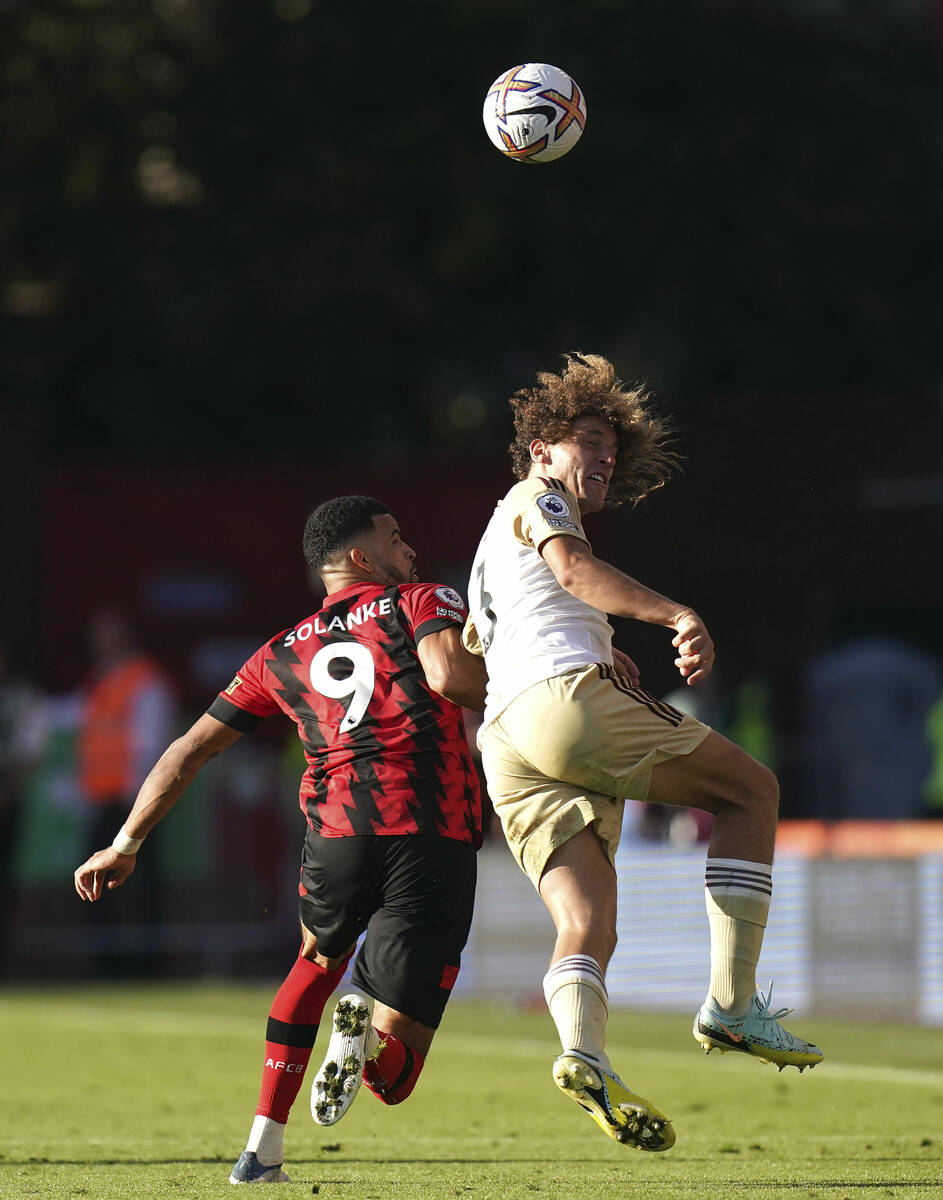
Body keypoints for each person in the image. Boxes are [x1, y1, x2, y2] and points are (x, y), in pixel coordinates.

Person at [463, 353, 822, 1153]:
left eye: (610, 448)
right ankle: (730, 1006)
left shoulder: (490, 545)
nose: (602, 454)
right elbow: (573, 567)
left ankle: (583, 1056)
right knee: (751, 792)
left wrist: (595, 649)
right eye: (587, 438)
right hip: (561, 706)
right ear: (540, 451)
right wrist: (673, 616)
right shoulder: (538, 498)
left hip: (505, 738)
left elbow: (472, 657)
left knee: (586, 922)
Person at [75, 496, 486, 1184]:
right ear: (361, 557)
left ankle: (261, 1150)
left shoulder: (279, 651)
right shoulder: (420, 599)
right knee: (395, 1077)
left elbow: (188, 750)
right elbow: (451, 678)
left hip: (337, 835)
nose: (408, 548)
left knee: (312, 966)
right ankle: (360, 1051)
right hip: (429, 830)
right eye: (394, 537)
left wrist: (125, 842)